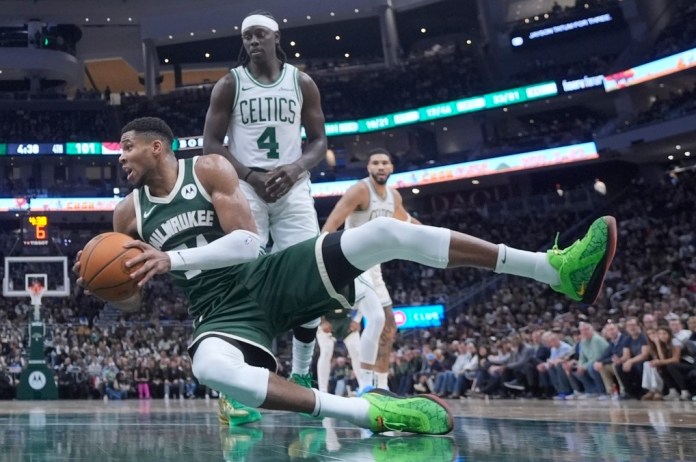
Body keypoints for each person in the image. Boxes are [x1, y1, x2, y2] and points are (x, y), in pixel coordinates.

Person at [76, 117, 616, 435]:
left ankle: (555, 269)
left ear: (157, 146)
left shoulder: (206, 169)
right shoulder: (127, 216)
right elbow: (133, 302)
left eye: (125, 147)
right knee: (207, 364)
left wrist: (173, 259)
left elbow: (246, 243)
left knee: (383, 231)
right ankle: (369, 411)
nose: (118, 157)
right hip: (221, 314)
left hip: (267, 275)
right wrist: (107, 285)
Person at [202, 10, 328, 422]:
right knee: (246, 284)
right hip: (246, 190)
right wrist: (252, 176)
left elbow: (319, 141)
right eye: (246, 37)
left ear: (276, 36)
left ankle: (302, 375)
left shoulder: (302, 81)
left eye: (259, 35)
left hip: (293, 190)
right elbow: (211, 145)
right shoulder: (229, 84)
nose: (252, 42)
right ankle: (239, 389)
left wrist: (294, 169)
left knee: (309, 278)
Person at [322, 148, 419, 392]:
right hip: (353, 261)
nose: (380, 167)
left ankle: (382, 386)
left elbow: (409, 223)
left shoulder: (393, 197)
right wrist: (320, 256)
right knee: (375, 319)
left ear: (391, 167)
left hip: (374, 266)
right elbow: (332, 223)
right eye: (375, 163)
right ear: (368, 168)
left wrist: (437, 236)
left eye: (385, 163)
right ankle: (365, 386)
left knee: (388, 325)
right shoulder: (360, 190)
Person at [316, 307, 361, 395]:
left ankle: (364, 387)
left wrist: (357, 319)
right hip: (326, 319)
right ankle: (322, 391)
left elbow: (363, 298)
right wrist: (321, 321)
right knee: (325, 351)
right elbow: (313, 302)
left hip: (347, 319)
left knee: (357, 352)